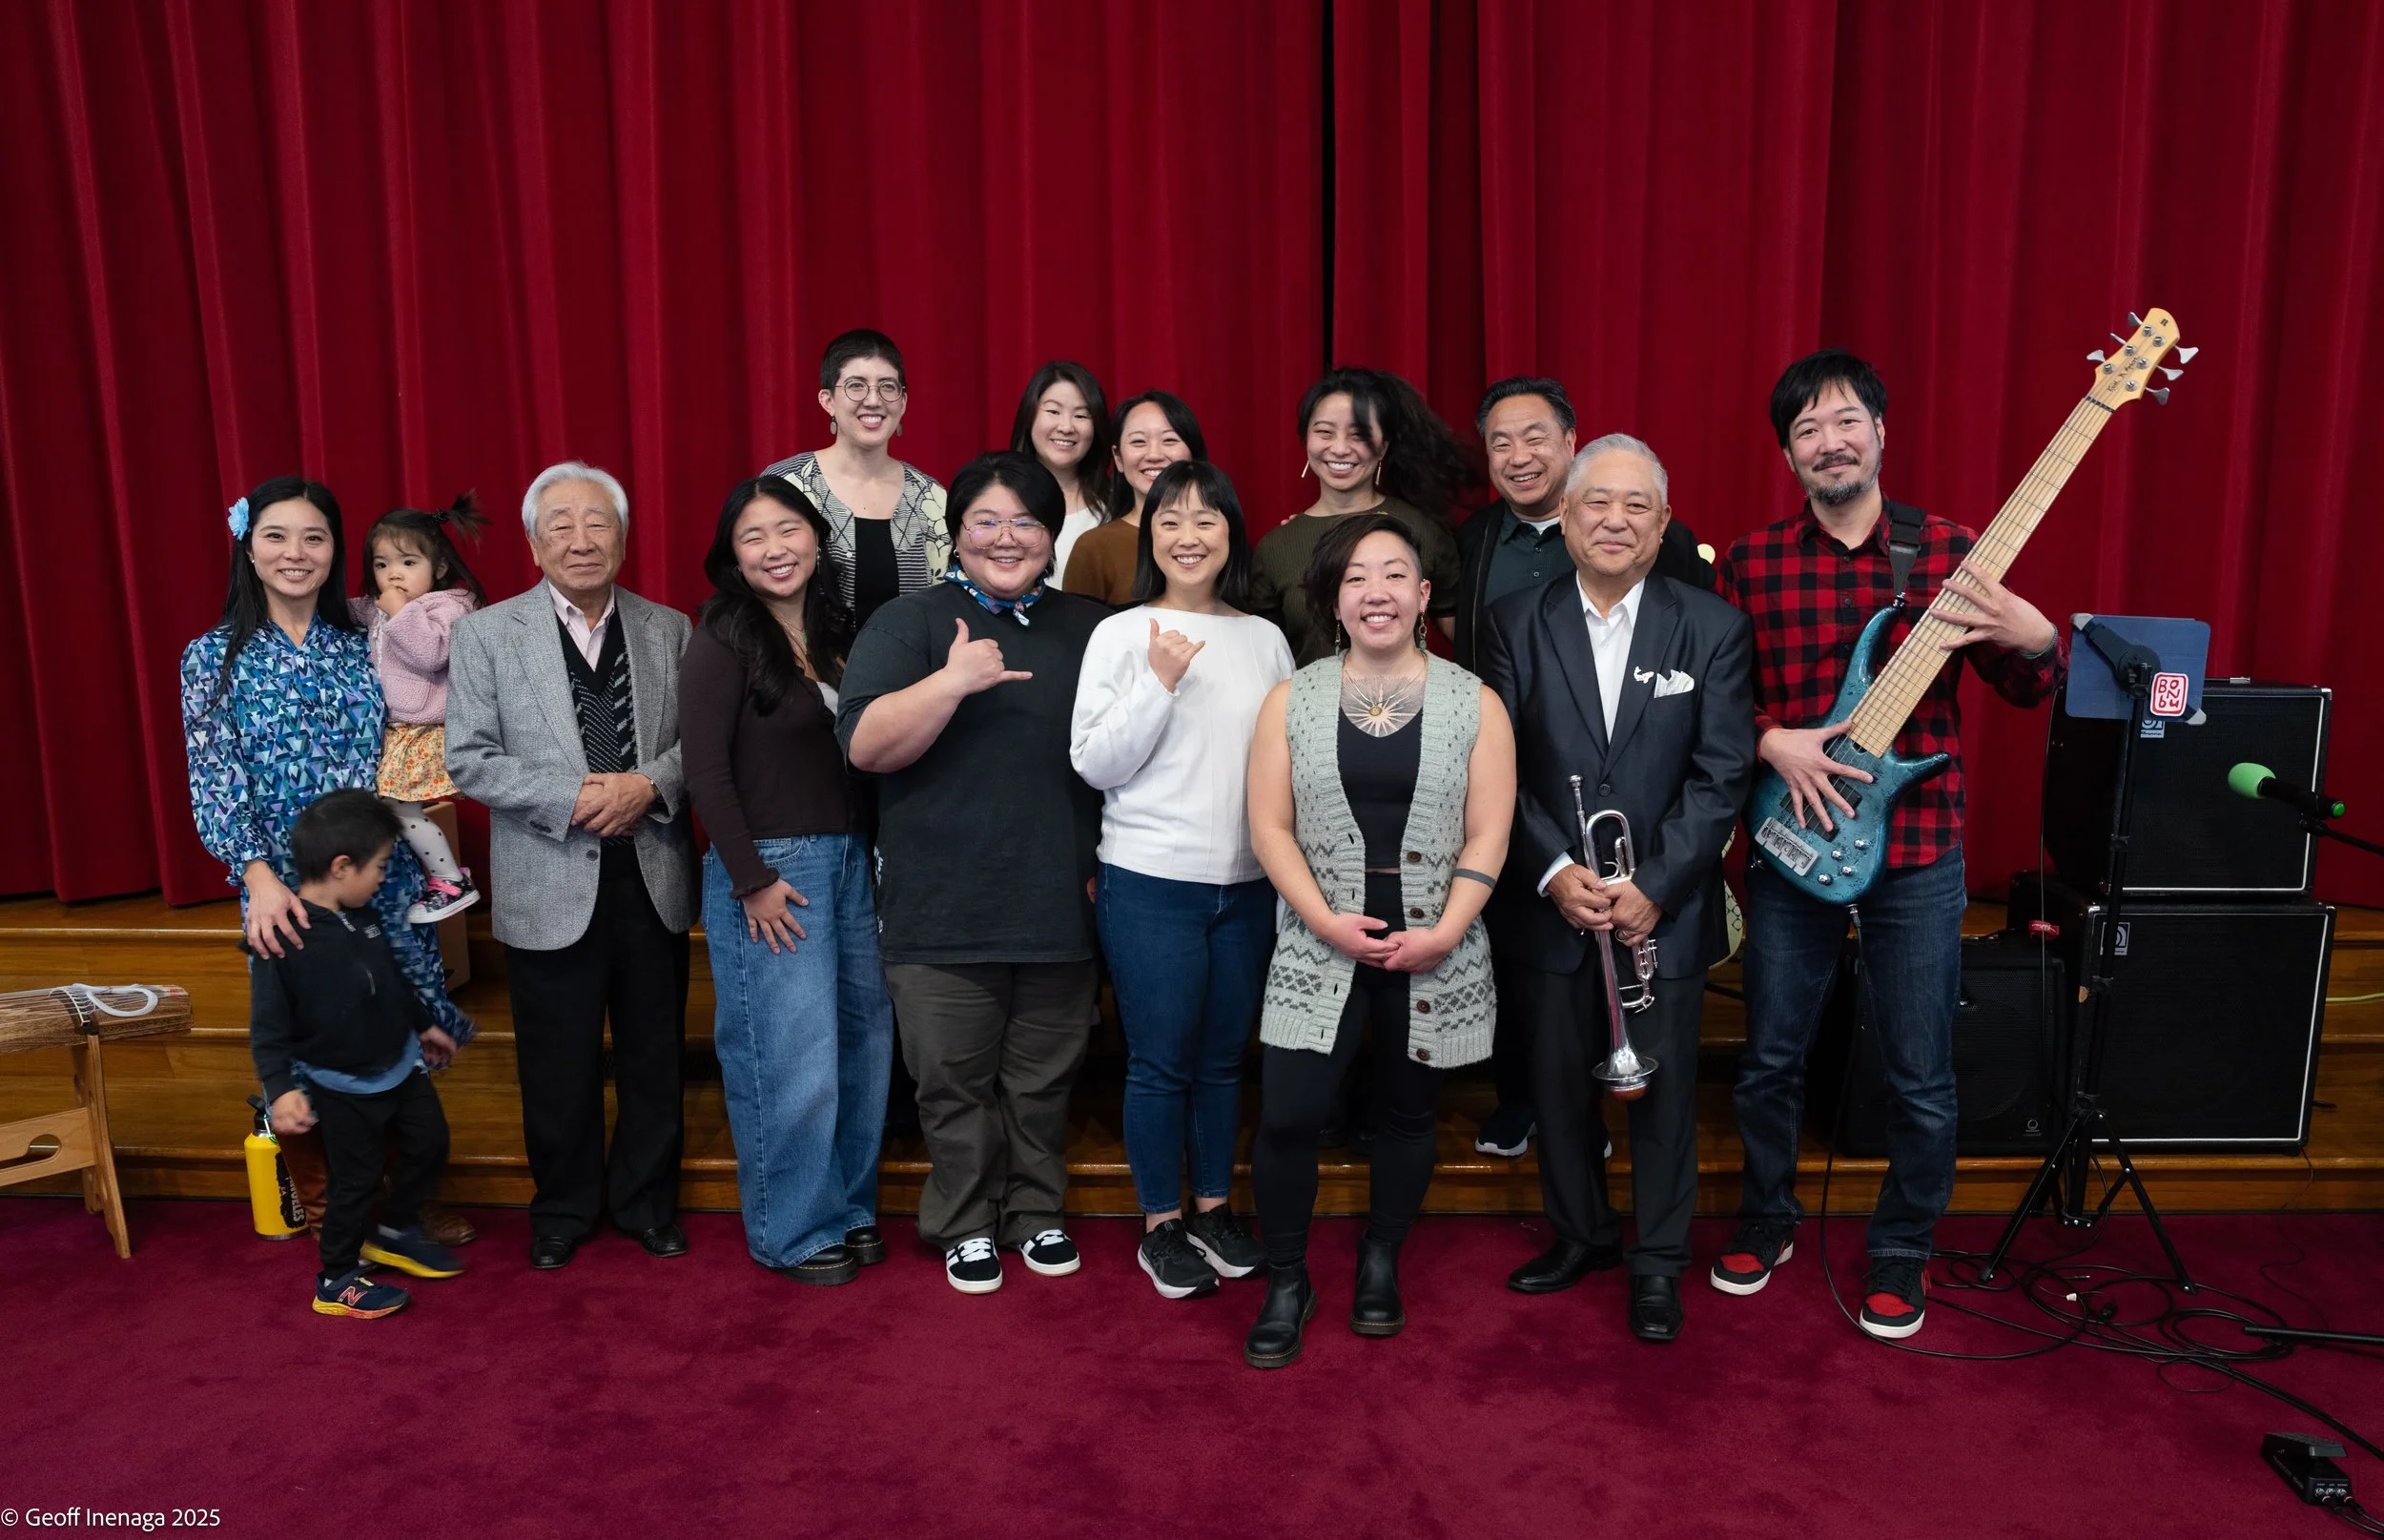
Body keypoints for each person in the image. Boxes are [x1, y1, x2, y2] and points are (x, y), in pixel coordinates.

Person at [1713, 349, 2064, 1340]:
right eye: (1807, 429)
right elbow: (1714, 699)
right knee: (1771, 1057)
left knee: (1920, 1068)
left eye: (1845, 422)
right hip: (1793, 840)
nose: (1829, 442)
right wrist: (1769, 739)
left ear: (1879, 431)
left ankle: (1903, 1245)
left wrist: (2037, 638)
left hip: (1916, 848)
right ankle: (1766, 1215)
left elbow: (2027, 690)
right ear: (1787, 455)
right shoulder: (1750, 561)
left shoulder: (1951, 550)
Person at [1477, 435, 1755, 1342]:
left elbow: (1721, 772)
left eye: (1638, 505)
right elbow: (1496, 764)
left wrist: (1657, 883)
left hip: (1662, 910)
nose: (1615, 519)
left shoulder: (1712, 626)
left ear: (1663, 523)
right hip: (1550, 901)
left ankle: (1660, 1261)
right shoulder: (1513, 620)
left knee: (1665, 1097)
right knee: (1557, 1085)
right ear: (1566, 514)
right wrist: (1555, 870)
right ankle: (1582, 1234)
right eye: (1598, 501)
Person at [1241, 513, 1515, 1369]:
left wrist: (1447, 932)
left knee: (1406, 1112)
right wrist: (1324, 921)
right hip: (1318, 934)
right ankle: (1288, 1278)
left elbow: (1489, 832)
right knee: (1289, 1115)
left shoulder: (1476, 701)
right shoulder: (1292, 698)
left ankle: (1380, 1258)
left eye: (1395, 574)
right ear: (1335, 601)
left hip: (1434, 940)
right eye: (1356, 578)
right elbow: (1269, 825)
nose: (1377, 592)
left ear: (1424, 594)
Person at [180, 475, 475, 1249]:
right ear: (248, 547)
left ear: (336, 549)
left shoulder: (366, 639)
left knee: (397, 1024)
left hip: (382, 875)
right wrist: (256, 876)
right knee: (316, 1038)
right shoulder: (212, 657)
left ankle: (406, 1199)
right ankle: (333, 1213)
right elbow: (215, 778)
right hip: (282, 885)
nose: (296, 553)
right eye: (276, 535)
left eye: (314, 537)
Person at [838, 451, 1106, 1296]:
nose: (1005, 537)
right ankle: (963, 1221)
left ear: (1052, 534)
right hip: (940, 901)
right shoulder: (909, 621)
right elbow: (865, 745)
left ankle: (1035, 1211)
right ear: (956, 533)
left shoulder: (1094, 627)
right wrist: (951, 683)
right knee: (952, 1081)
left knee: (1041, 1080)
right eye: (985, 520)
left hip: (1060, 895)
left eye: (1025, 520)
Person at [1457, 378, 1716, 1160]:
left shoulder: (1668, 548)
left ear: (1570, 446)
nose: (1518, 455)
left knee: (1652, 1069)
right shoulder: (1476, 544)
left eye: (1535, 436)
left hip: (1649, 836)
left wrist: (1656, 875)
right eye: (1500, 442)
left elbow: (1696, 677)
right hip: (1534, 825)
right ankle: (1536, 1118)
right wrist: (1551, 860)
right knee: (1539, 1016)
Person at [446, 460, 696, 1270]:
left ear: (623, 537)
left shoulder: (670, 628)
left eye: (598, 523)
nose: (581, 539)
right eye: (561, 525)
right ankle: (562, 1206)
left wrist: (647, 786)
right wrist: (578, 795)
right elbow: (469, 757)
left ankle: (648, 1202)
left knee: (654, 1054)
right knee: (557, 1060)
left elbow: (700, 744)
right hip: (548, 870)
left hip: (652, 873)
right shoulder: (486, 633)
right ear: (533, 543)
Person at [1069, 461, 1293, 1300]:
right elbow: (1095, 763)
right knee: (1161, 1061)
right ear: (1149, 535)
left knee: (1224, 1059)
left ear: (1232, 532)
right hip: (1150, 880)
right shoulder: (1121, 633)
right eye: (1169, 520)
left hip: (1248, 883)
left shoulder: (1264, 638)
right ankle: (1160, 1222)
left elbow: (1283, 762)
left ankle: (1213, 1210)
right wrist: (1159, 681)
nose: (1188, 536)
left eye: (1206, 519)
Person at [681, 475, 893, 1287]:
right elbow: (705, 770)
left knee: (864, 1042)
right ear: (732, 555)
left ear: (816, 536)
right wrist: (751, 877)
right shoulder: (721, 637)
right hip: (774, 868)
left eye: (788, 529)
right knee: (789, 1054)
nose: (775, 549)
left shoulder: (842, 633)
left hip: (851, 860)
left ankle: (849, 1206)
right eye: (753, 536)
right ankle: (793, 1227)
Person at [251, 791, 462, 1319]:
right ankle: (336, 1279)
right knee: (356, 1178)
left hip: (399, 1065)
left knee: (431, 1142)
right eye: (380, 866)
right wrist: (280, 1089)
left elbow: (389, 983)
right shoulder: (284, 939)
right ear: (342, 867)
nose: (383, 877)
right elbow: (268, 1028)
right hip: (340, 1083)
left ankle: (397, 1230)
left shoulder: (364, 916)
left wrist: (425, 1026)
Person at [1249, 367, 1468, 666]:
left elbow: (1468, 639)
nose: (1340, 448)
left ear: (1383, 447)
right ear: (1305, 438)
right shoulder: (1277, 546)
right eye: (1325, 432)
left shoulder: (1423, 529)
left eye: (1359, 435)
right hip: (1306, 695)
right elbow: (1262, 659)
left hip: (1409, 694)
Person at [355, 493, 488, 924]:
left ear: (440, 567)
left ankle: (450, 880)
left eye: (408, 562)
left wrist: (401, 613)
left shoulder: (447, 606)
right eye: (381, 564)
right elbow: (345, 613)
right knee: (395, 808)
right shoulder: (382, 608)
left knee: (398, 807)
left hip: (425, 728)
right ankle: (442, 878)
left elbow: (431, 654)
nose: (393, 574)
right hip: (398, 728)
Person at [764, 328, 950, 631]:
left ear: (903, 402)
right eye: (856, 386)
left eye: (887, 387)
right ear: (827, 400)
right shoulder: (786, 484)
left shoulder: (932, 497)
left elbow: (948, 605)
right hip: (802, 661)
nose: (874, 400)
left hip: (913, 662)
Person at [1060, 389, 1203, 606]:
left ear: (1193, 452)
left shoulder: (1218, 535)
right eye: (1138, 442)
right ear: (1118, 458)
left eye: (1169, 440)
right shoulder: (1094, 547)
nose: (1154, 455)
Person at [1009, 360, 1116, 582]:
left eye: (1081, 415)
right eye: (1053, 411)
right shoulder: (999, 497)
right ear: (1029, 416)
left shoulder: (1116, 505)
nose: (1066, 427)